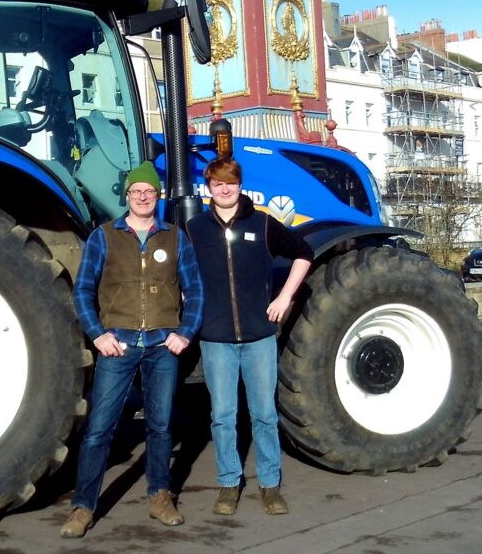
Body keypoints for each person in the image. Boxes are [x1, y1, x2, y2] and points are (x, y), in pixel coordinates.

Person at [60, 161, 204, 538]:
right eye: (136, 191)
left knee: (160, 426)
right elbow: (83, 290)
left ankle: (160, 495)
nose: (142, 196)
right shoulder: (103, 237)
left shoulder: (175, 238)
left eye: (149, 191)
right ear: (127, 197)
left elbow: (196, 289)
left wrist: (185, 333)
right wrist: (97, 335)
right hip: (118, 346)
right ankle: (83, 507)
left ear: (158, 196)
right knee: (98, 429)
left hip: (161, 346)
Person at [186, 157, 312, 517]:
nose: (224, 190)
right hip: (216, 338)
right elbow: (183, 274)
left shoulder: (264, 224)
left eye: (231, 183)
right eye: (217, 184)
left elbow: (303, 253)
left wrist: (285, 297)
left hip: (259, 336)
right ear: (208, 188)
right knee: (223, 415)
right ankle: (229, 484)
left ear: (240, 186)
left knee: (264, 415)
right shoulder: (195, 229)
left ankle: (270, 486)